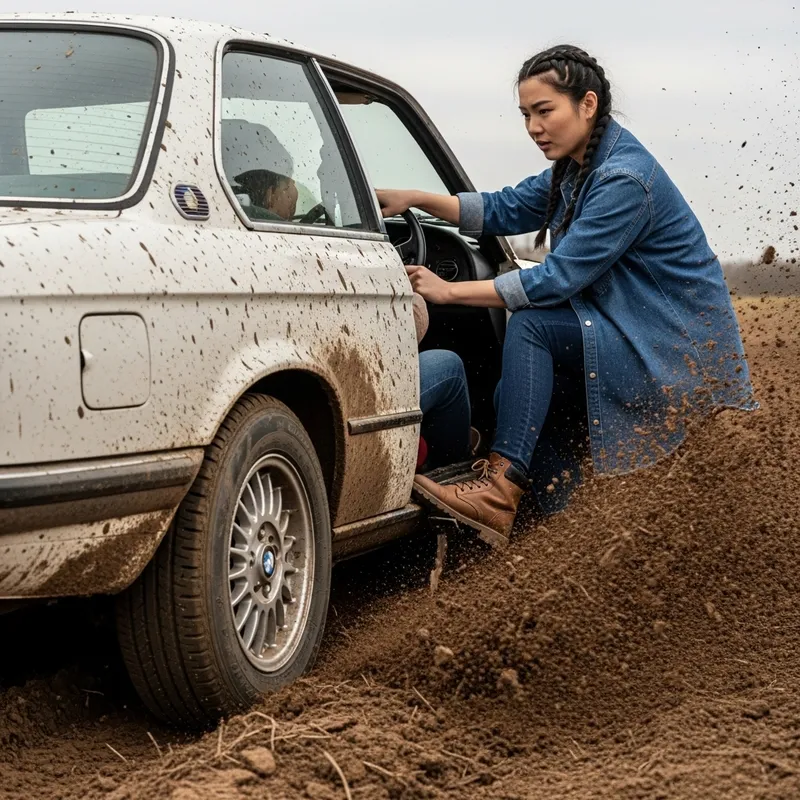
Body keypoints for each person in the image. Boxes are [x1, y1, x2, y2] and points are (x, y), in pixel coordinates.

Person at [377, 44, 755, 550]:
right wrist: (417, 198)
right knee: (519, 400)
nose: (534, 126)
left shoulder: (623, 178)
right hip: (630, 332)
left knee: (533, 325)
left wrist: (448, 290)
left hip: (670, 354)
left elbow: (556, 279)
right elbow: (505, 208)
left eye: (544, 111)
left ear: (588, 104)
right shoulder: (576, 166)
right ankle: (568, 539)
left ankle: (498, 490)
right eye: (526, 115)